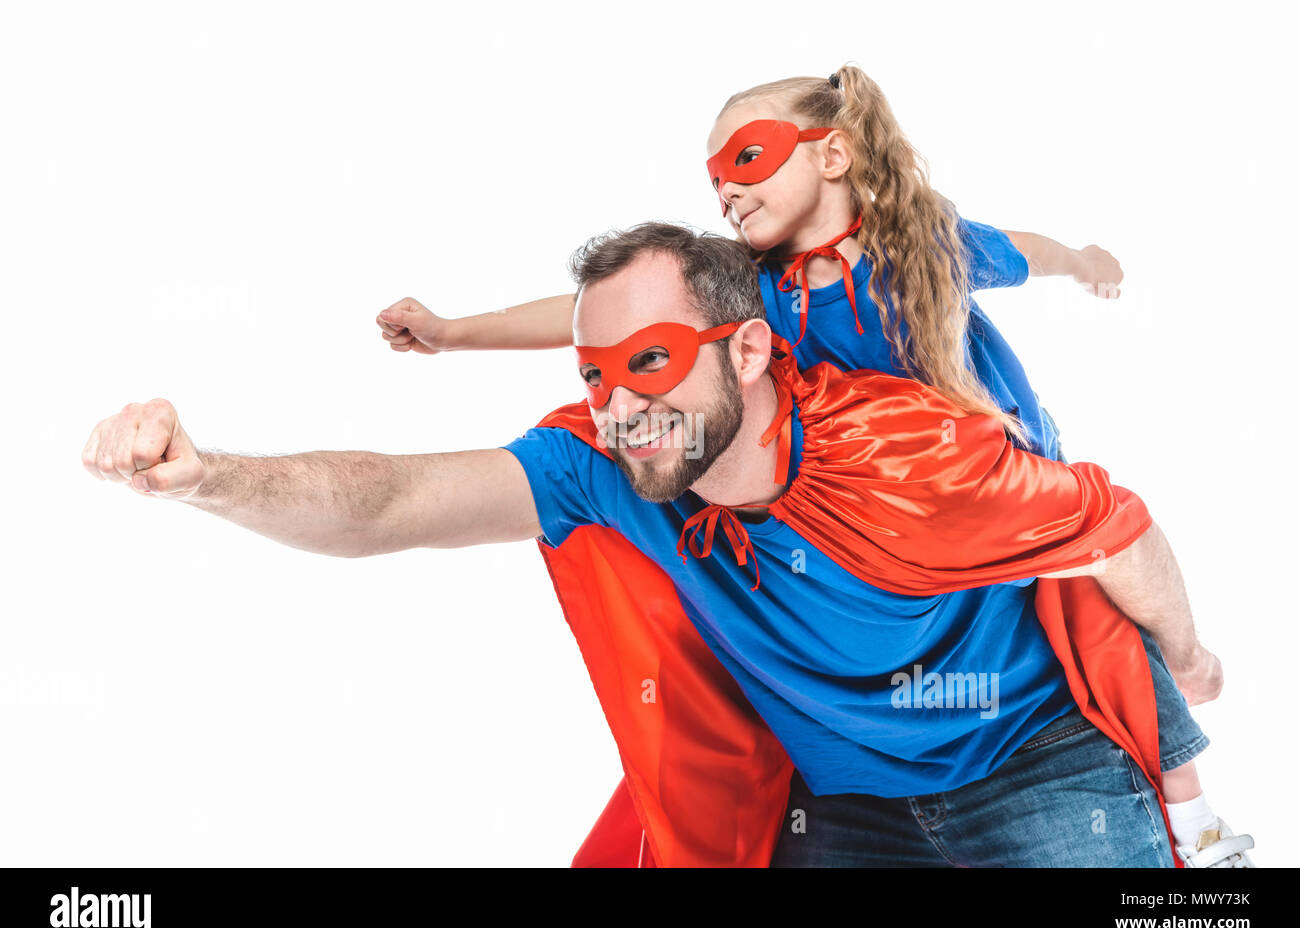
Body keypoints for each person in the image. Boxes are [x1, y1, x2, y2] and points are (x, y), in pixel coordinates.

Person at [82, 223, 1252, 867]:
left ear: (746, 350)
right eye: (592, 375)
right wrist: (208, 477)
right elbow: (388, 502)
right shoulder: (606, 471)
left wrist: (1187, 656)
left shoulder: (906, 451)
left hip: (1034, 767)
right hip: (835, 808)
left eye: (648, 362)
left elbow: (1119, 528)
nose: (615, 403)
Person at [372, 64, 1246, 866]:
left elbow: (1026, 253)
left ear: (831, 154)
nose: (728, 189)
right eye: (715, 178)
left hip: (983, 488)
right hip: (857, 520)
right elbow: (592, 319)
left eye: (748, 160)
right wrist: (455, 332)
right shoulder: (755, 288)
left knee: (1098, 625)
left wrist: (1084, 262)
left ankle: (1195, 823)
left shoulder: (923, 247)